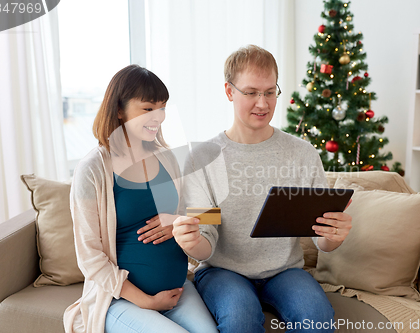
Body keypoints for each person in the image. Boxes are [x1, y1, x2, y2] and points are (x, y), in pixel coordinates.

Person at [172, 45, 353, 333]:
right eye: (252, 92)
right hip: (222, 271)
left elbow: (321, 240)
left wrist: (334, 236)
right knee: (240, 319)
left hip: (284, 271)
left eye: (270, 92)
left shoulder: (302, 154)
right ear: (230, 92)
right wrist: (191, 242)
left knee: (317, 319)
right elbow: (205, 245)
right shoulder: (204, 158)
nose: (262, 103)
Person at [63, 65, 217, 333]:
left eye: (162, 107)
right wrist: (146, 301)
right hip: (120, 300)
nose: (158, 117)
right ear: (119, 110)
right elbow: (89, 257)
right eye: (148, 109)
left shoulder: (167, 158)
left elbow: (210, 213)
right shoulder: (93, 168)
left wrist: (177, 220)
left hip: (178, 290)